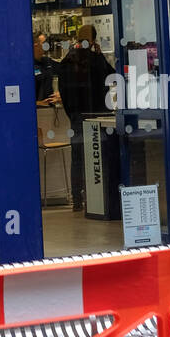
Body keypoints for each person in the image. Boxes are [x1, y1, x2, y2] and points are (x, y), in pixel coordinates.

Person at [57, 25, 114, 213]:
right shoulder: (95, 59)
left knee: (77, 159)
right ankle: (95, 198)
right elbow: (111, 76)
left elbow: (63, 92)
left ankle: (76, 199)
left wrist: (72, 112)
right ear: (93, 39)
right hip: (95, 115)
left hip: (76, 116)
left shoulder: (68, 60)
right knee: (95, 157)